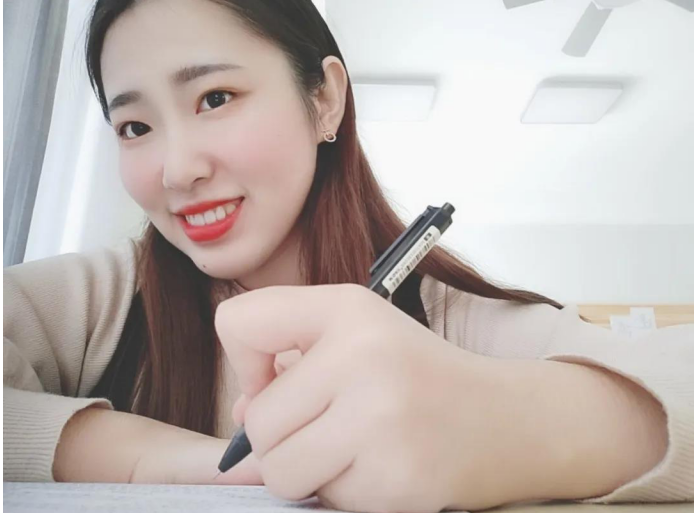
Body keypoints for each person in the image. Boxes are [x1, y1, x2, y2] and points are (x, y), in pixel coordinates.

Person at [3, 0, 693, 511]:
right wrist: (159, 462)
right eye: (134, 126)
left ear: (326, 99)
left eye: (215, 97)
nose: (177, 170)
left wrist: (508, 422)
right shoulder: (105, 295)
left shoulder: (445, 319)